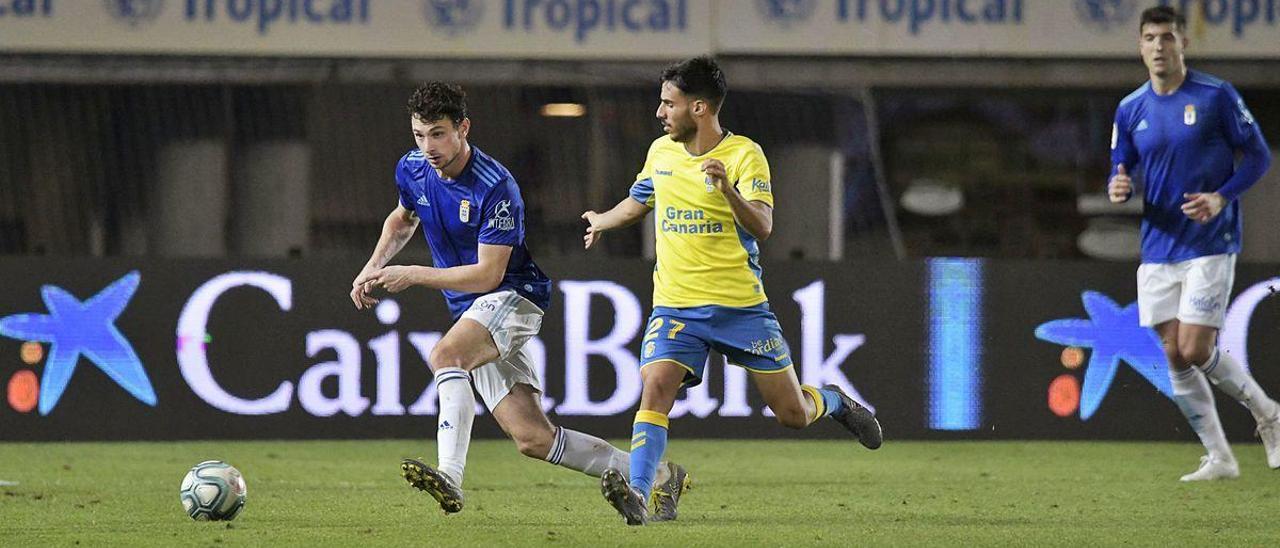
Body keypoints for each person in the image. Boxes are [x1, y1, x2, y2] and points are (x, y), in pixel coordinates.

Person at [352, 82, 689, 517]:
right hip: (473, 309)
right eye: (419, 134)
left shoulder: (497, 187)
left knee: (446, 356)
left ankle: (450, 476)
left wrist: (413, 274)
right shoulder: (412, 168)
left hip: (513, 295)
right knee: (534, 439)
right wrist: (372, 266)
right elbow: (402, 218)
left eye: (438, 133)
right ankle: (662, 476)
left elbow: (487, 275)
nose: (428, 146)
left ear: (463, 128)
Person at [581, 56, 882, 525]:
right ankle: (639, 493)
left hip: (742, 310)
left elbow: (762, 225)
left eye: (668, 103)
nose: (660, 112)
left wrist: (726, 190)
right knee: (655, 387)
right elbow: (639, 201)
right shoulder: (661, 153)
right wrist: (602, 219)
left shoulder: (745, 155)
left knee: (792, 414)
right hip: (677, 305)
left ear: (699, 108)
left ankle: (836, 401)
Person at [1108, 6, 1277, 481]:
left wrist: (1222, 197)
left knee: (1196, 346)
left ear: (1184, 43)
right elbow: (1120, 166)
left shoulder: (1215, 96)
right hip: (1158, 245)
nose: (1158, 47)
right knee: (1173, 353)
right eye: (1149, 38)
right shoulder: (1130, 108)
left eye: (1167, 37)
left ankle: (1269, 414)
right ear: (1140, 46)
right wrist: (1117, 187)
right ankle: (1219, 456)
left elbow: (1258, 156)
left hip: (1210, 239)